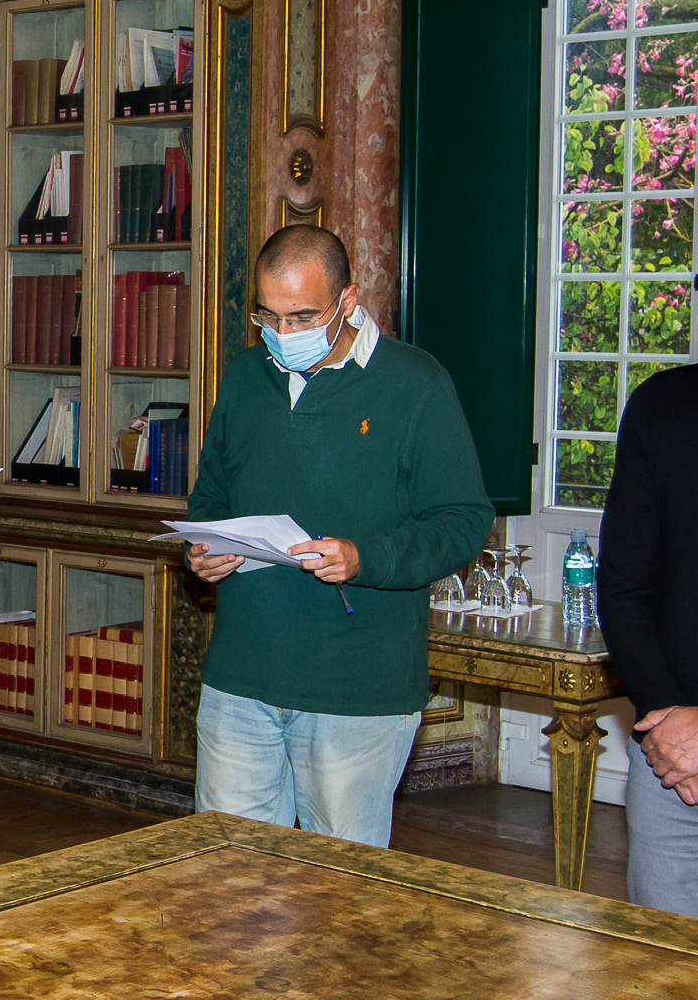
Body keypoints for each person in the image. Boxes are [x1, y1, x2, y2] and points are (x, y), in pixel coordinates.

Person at [185, 225, 492, 847]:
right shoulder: (245, 377)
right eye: (268, 316)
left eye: (303, 316)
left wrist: (364, 557)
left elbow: (464, 520)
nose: (284, 333)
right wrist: (207, 549)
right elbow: (212, 494)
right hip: (241, 675)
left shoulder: (416, 383)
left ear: (348, 300)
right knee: (226, 875)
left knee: (339, 882)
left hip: (358, 686)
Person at [596, 364, 698, 917]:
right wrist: (669, 720)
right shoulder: (663, 403)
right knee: (661, 957)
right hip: (671, 755)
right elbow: (623, 583)